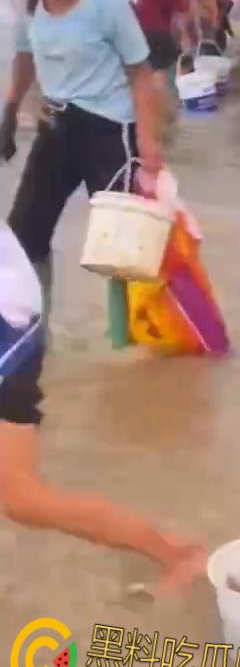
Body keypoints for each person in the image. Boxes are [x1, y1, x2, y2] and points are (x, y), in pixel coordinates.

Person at [0, 220, 204, 587]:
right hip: (14, 308)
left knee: (23, 498)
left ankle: (177, 557)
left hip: (7, 329)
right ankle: (172, 550)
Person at [2, 0, 161, 321]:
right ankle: (33, 329)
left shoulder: (107, 3)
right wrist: (9, 112)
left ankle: (130, 338)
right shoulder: (28, 3)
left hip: (110, 131)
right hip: (56, 128)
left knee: (121, 246)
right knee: (24, 235)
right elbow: (23, 62)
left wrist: (149, 143)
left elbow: (141, 75)